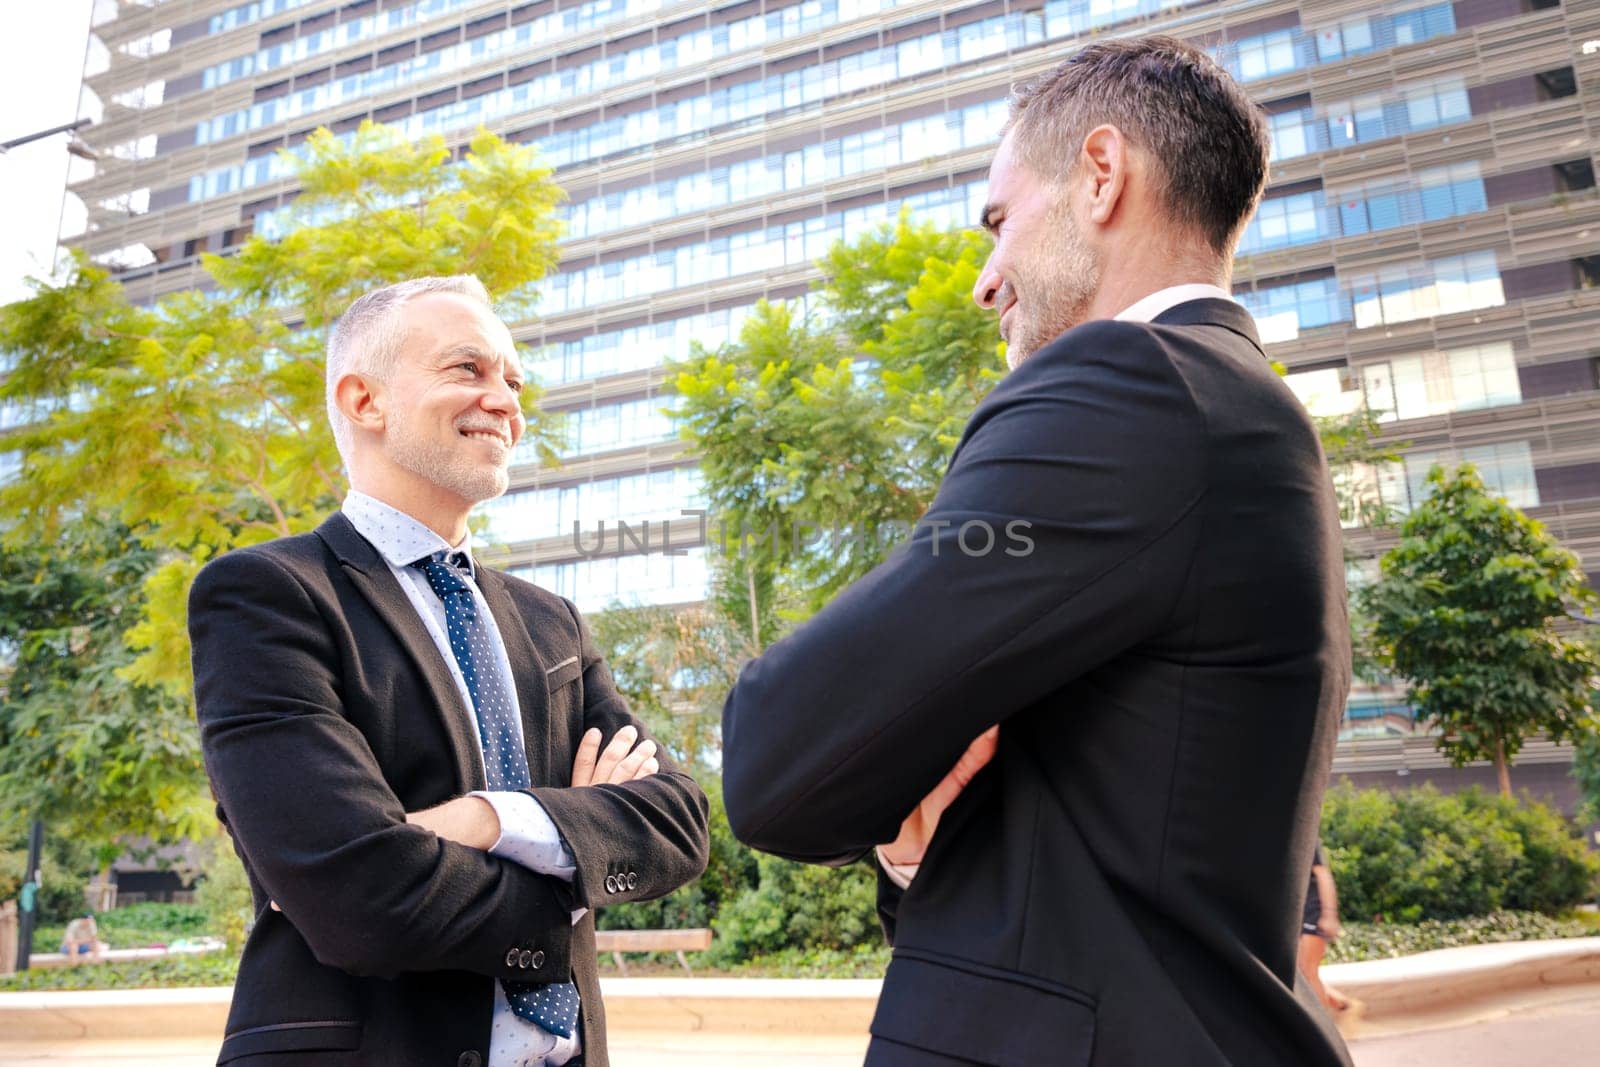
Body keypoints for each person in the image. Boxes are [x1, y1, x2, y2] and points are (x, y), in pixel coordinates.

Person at [721, 36, 1353, 1065]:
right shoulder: (1242, 410)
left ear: (1100, 176)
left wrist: (868, 773)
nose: (985, 279)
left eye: (997, 222)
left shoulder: (1129, 382)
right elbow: (1120, 831)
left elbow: (774, 761)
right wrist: (914, 836)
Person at [188, 275, 709, 1067]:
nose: (504, 400)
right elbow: (357, 893)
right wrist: (574, 860)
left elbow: (678, 823)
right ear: (366, 401)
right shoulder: (265, 598)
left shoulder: (551, 621)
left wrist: (486, 818)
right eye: (468, 370)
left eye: (513, 379)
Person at [1300, 842, 1351, 1013]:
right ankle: (1345, 1006)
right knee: (1301, 972)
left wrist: (1329, 915)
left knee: (1308, 972)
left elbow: (1323, 874)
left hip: (1314, 912)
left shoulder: (1307, 835)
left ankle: (1321, 1030)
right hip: (1298, 913)